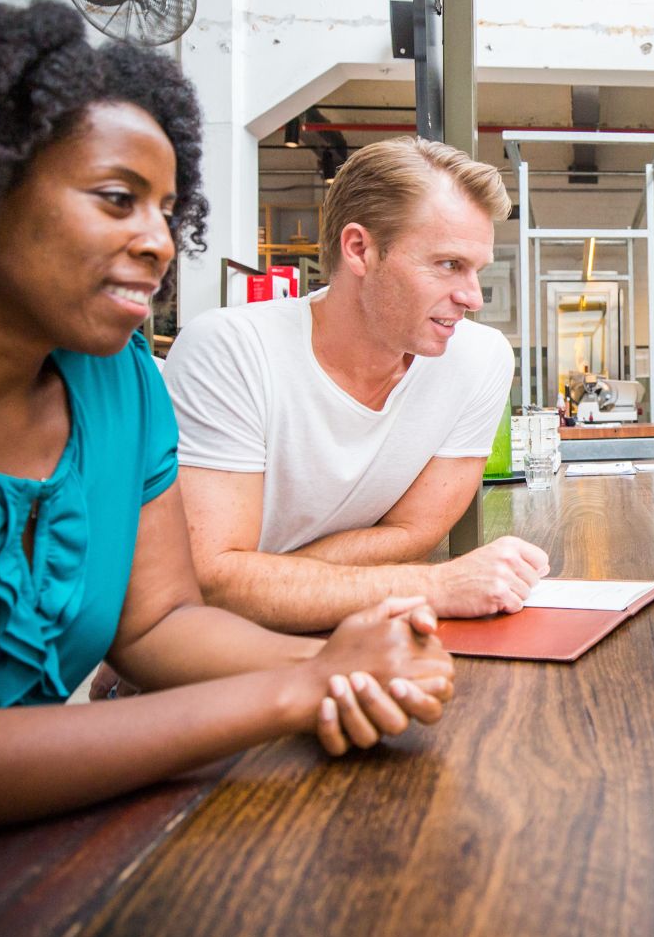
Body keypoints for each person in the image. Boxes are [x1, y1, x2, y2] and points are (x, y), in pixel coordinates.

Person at [0, 0, 454, 928]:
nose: (160, 242)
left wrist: (342, 659)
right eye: (117, 199)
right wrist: (297, 688)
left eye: (169, 210)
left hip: (44, 889)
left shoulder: (115, 380)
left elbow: (161, 622)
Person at [165, 136, 549, 632]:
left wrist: (268, 579)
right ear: (359, 249)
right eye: (448, 264)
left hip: (336, 636)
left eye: (476, 270)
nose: (473, 297)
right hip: (208, 653)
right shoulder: (230, 350)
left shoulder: (479, 358)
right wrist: (435, 586)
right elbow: (211, 580)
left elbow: (414, 532)